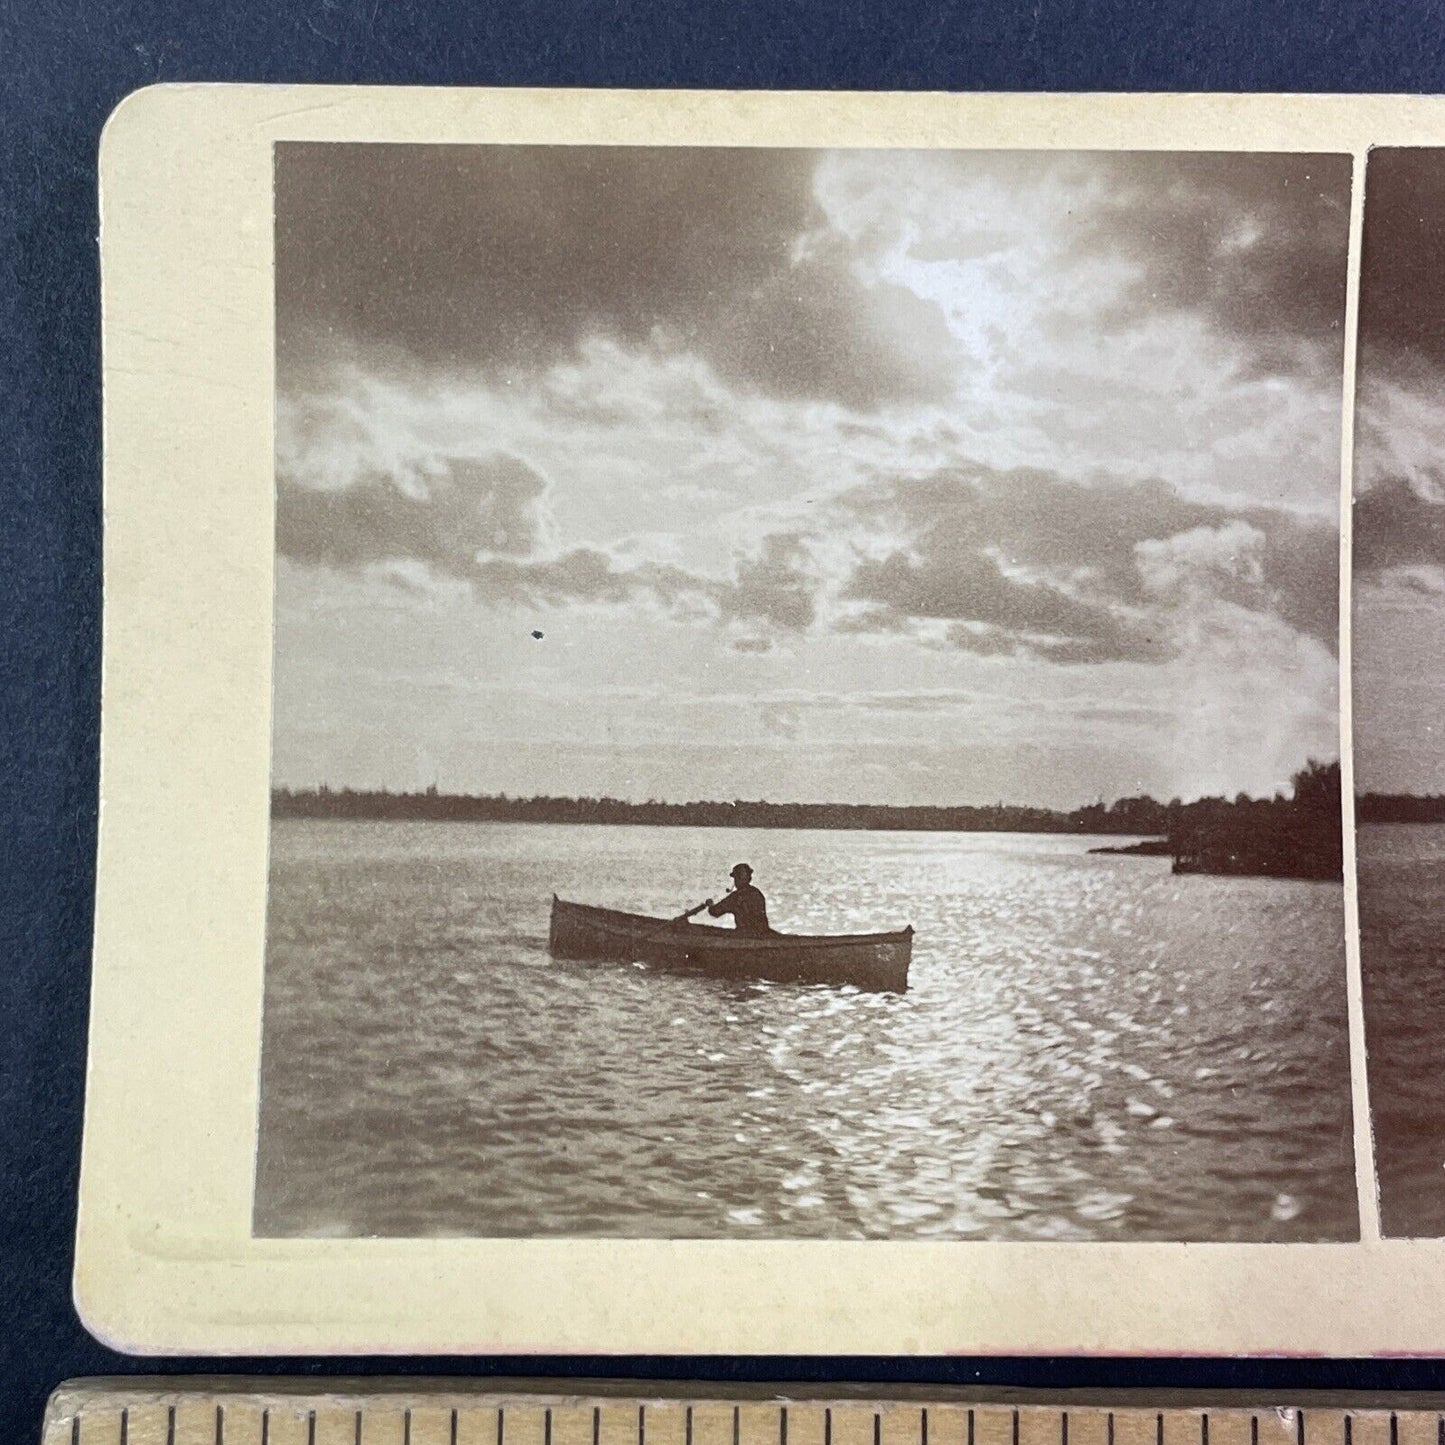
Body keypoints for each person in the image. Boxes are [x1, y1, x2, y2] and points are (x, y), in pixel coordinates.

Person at [705, 863, 771, 936]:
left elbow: (715, 911)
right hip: (763, 934)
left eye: (735, 878)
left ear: (737, 879)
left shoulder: (735, 897)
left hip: (744, 936)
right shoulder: (757, 893)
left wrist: (710, 905)